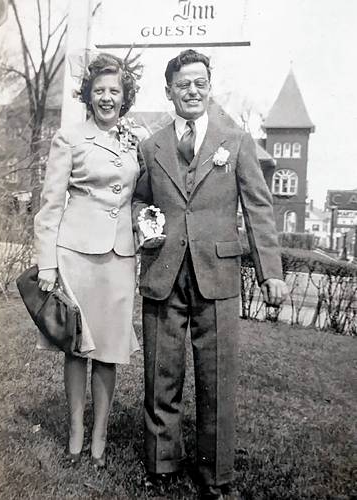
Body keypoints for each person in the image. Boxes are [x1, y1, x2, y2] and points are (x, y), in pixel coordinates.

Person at [132, 49, 288, 499]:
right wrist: (147, 222)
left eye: (200, 82)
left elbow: (258, 206)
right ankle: (163, 464)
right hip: (163, 271)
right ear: (169, 91)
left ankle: (216, 475)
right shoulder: (152, 145)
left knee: (217, 377)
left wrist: (270, 272)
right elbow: (141, 201)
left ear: (209, 86)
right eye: (184, 84)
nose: (193, 90)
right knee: (162, 371)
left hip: (216, 273)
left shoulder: (233, 139)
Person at [34, 52, 143, 467]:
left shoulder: (134, 140)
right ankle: (76, 430)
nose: (107, 98)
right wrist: (47, 263)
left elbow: (139, 196)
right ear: (88, 94)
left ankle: (101, 436)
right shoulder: (70, 138)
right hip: (76, 254)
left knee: (111, 349)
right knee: (78, 347)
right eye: (99, 90)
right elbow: (49, 205)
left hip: (119, 258)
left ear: (124, 95)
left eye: (114, 91)